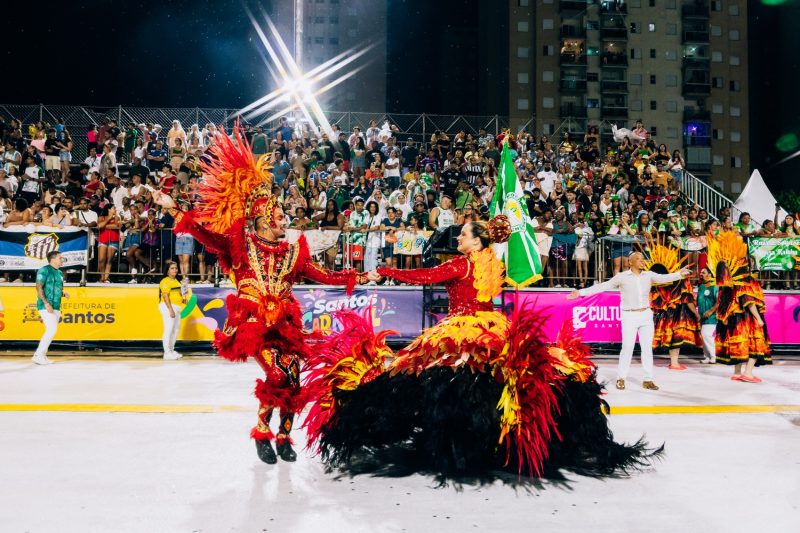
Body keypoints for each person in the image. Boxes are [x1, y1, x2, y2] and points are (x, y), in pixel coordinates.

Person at [304, 216, 662, 479]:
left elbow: (423, 276)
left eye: (463, 234)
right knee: (491, 381)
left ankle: (462, 440)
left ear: (476, 242)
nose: (458, 237)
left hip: (462, 328)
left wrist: (385, 270)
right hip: (491, 325)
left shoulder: (460, 264)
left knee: (450, 381)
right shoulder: (492, 263)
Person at [153, 125, 366, 465]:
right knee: (278, 375)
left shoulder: (291, 253)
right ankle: (262, 431)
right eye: (280, 216)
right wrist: (172, 208)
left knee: (292, 379)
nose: (285, 220)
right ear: (264, 221)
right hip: (254, 324)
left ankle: (284, 436)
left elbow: (324, 274)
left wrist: (360, 276)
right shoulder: (241, 246)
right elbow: (204, 234)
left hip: (285, 325)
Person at [568, 252, 692, 390]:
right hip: (629, 316)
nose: (642, 261)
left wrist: (680, 274)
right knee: (627, 348)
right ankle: (621, 378)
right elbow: (603, 286)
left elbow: (664, 278)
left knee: (647, 349)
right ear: (630, 262)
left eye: (643, 259)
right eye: (638, 259)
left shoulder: (648, 275)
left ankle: (648, 379)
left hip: (646, 315)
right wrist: (581, 292)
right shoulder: (622, 277)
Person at [708, 232, 771, 382]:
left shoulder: (729, 283)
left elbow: (722, 303)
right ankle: (748, 373)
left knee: (739, 344)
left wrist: (723, 317)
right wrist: (758, 318)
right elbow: (749, 301)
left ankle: (737, 373)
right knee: (755, 344)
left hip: (733, 319)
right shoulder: (746, 281)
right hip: (746, 319)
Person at [644, 238, 701, 370]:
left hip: (664, 313)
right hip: (678, 312)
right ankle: (674, 363)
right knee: (676, 338)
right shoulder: (681, 279)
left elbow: (653, 298)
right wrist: (695, 313)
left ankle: (672, 362)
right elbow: (687, 299)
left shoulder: (657, 281)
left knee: (668, 337)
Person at [33, 251, 69, 365]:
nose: (62, 260)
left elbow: (56, 288)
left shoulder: (60, 273)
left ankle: (42, 355)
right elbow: (39, 287)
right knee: (51, 330)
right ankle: (38, 355)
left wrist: (63, 293)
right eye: (60, 258)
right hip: (46, 305)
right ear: (53, 259)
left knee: (51, 330)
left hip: (56, 306)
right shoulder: (44, 270)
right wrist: (46, 303)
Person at [158, 261, 185, 360]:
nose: (175, 270)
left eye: (176, 268)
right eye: (172, 268)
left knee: (175, 330)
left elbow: (181, 294)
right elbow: (165, 296)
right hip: (168, 307)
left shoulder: (177, 281)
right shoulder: (165, 281)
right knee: (169, 330)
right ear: (167, 271)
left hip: (177, 307)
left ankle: (171, 350)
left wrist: (184, 297)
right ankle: (167, 353)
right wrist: (170, 309)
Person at [697, 267, 718, 364]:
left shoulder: (714, 286)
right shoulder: (701, 286)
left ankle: (713, 356)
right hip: (702, 317)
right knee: (703, 335)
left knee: (707, 335)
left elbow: (719, 301)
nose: (701, 274)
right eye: (701, 272)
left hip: (711, 316)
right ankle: (707, 356)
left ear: (709, 274)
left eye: (703, 272)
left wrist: (710, 311)